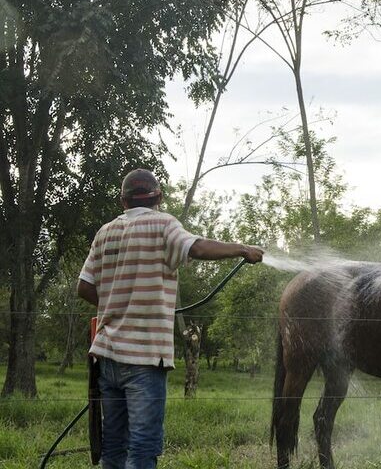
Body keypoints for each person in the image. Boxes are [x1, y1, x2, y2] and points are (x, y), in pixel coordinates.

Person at [76, 169, 263, 469]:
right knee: (142, 448)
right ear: (159, 197)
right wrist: (242, 249)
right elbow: (197, 247)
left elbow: (84, 287)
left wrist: (116, 304)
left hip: (107, 358)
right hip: (145, 360)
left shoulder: (105, 232)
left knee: (112, 448)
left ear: (123, 200)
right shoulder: (163, 224)